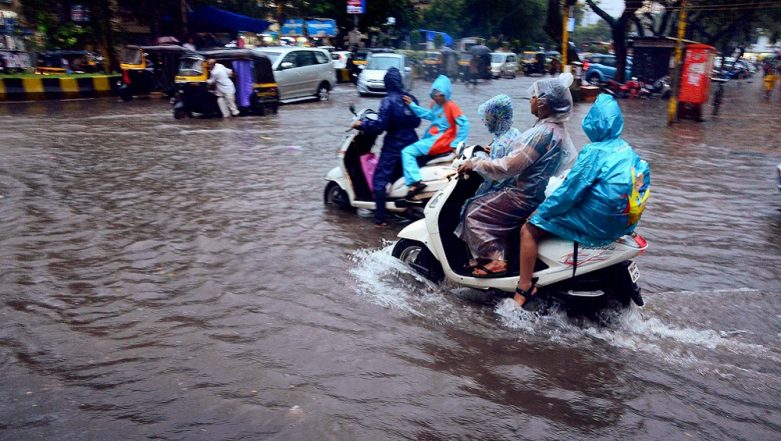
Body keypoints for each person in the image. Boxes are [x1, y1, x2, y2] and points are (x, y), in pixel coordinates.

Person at [514, 93, 651, 308]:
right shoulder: (627, 150)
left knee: (528, 230)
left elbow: (569, 192)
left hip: (596, 223)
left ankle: (524, 287)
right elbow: (641, 185)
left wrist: (541, 212)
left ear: (595, 122)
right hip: (621, 224)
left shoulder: (594, 152)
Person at [456, 75, 577, 277]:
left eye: (533, 97)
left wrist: (475, 163)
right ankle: (490, 254)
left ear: (543, 102)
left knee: (473, 210)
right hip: (535, 192)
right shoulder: (554, 129)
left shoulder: (542, 132)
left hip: (522, 194)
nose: (530, 101)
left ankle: (495, 259)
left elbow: (509, 166)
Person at [353, 67, 421, 225]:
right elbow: (417, 121)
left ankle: (380, 219)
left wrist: (362, 124)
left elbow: (379, 126)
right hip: (412, 143)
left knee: (379, 180)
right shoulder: (410, 98)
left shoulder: (387, 101)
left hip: (394, 146)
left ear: (387, 83)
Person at [401, 75, 469, 198]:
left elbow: (464, 123)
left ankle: (415, 182)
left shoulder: (451, 106)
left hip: (441, 141)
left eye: (440, 94)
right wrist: (412, 106)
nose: (437, 96)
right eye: (435, 93)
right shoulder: (435, 105)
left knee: (407, 151)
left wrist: (455, 144)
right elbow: (429, 115)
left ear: (446, 93)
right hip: (434, 139)